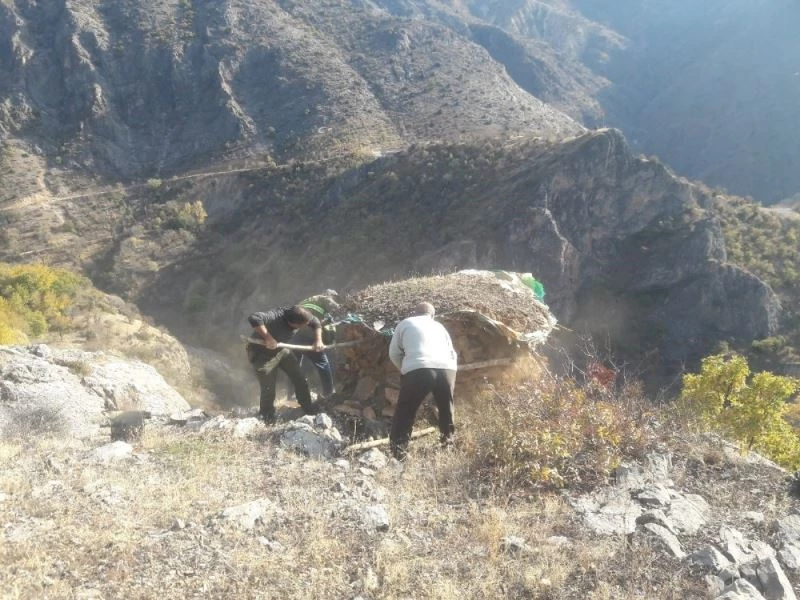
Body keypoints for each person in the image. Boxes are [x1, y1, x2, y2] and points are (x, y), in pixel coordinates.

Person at [388, 301, 458, 460]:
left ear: (415, 313)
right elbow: (453, 353)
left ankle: (399, 453)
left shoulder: (405, 323)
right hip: (447, 368)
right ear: (432, 315)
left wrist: (406, 369)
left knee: (405, 412)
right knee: (446, 409)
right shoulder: (440, 327)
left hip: (419, 368)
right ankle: (448, 445)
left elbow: (393, 353)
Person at [246, 305, 324, 422]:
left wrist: (318, 340)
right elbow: (254, 318)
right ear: (293, 324)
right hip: (261, 354)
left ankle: (308, 408)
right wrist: (268, 338)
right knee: (269, 389)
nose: (306, 326)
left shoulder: (301, 315)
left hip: (281, 350)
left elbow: (315, 322)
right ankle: (267, 417)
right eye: (303, 325)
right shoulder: (276, 316)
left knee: (299, 378)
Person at [291, 291, 341, 399]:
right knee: (323, 363)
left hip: (294, 334)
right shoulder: (326, 299)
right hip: (308, 334)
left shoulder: (308, 300)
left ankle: (291, 394)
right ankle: (328, 393)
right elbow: (337, 310)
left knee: (294, 365)